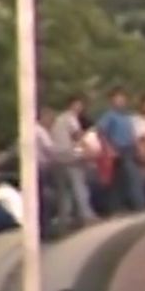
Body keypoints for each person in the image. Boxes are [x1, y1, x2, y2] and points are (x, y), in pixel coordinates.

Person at [48, 97, 97, 227]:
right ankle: (87, 216)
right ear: (72, 105)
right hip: (70, 157)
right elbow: (77, 135)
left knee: (65, 192)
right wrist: (89, 149)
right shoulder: (70, 118)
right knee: (79, 186)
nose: (79, 108)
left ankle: (64, 221)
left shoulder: (59, 119)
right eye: (78, 105)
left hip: (57, 158)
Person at [97, 88, 145, 212]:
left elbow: (132, 133)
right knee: (132, 176)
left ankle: (115, 207)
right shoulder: (109, 116)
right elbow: (101, 132)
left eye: (122, 99)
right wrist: (109, 147)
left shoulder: (127, 117)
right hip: (118, 149)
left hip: (130, 148)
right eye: (117, 99)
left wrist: (138, 146)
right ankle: (140, 205)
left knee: (118, 180)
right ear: (112, 101)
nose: (120, 101)